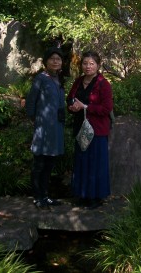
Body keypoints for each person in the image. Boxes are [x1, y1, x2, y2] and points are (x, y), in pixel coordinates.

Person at [67, 50, 113, 210]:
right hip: (81, 128)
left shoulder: (103, 84)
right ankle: (82, 195)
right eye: (85, 63)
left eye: (91, 63)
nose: (88, 66)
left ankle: (96, 197)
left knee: (95, 163)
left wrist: (85, 106)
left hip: (97, 130)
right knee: (82, 162)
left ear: (98, 65)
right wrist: (72, 106)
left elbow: (107, 108)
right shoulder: (79, 81)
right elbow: (70, 98)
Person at [26, 47, 65, 210]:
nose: (56, 61)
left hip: (56, 127)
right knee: (40, 163)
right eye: (52, 59)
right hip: (43, 128)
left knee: (50, 163)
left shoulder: (59, 78)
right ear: (46, 61)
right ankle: (37, 197)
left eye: (58, 59)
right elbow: (30, 103)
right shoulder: (40, 79)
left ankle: (45, 195)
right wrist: (37, 120)